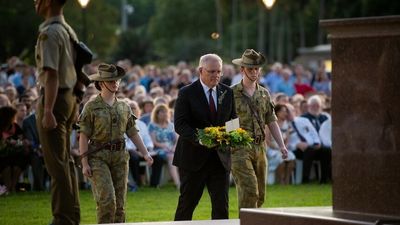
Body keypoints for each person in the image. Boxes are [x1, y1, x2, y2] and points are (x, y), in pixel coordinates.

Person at [79, 63, 153, 223]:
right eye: (111, 80)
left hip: (120, 156)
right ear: (101, 83)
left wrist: (145, 153)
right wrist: (84, 162)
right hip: (98, 157)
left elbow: (133, 132)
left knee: (120, 204)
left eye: (117, 80)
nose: (115, 83)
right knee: (107, 200)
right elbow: (83, 136)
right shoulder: (91, 107)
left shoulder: (124, 106)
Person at [173, 54, 236, 220]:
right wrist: (200, 138)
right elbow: (180, 125)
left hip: (220, 159)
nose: (216, 75)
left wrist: (228, 135)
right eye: (211, 71)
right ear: (200, 70)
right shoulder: (186, 93)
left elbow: (233, 120)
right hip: (193, 158)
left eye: (219, 72)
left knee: (221, 206)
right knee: (187, 204)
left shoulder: (228, 92)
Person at [34, 0, 81, 223]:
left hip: (55, 98)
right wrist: (77, 100)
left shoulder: (50, 32)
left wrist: (48, 110)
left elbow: (51, 74)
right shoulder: (67, 29)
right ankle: (73, 214)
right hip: (69, 96)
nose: (35, 1)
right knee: (66, 162)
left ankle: (62, 218)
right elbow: (80, 67)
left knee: (56, 164)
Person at [231, 49, 288, 209]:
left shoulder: (264, 93)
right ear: (242, 69)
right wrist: (233, 141)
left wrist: (282, 145)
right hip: (240, 147)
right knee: (250, 190)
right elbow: (227, 120)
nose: (254, 72)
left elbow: (272, 120)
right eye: (250, 68)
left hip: (260, 147)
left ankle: (251, 219)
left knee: (260, 195)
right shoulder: (231, 93)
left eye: (257, 68)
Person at [148, 103, 179, 188]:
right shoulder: (152, 126)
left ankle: (184, 181)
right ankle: (178, 183)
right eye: (162, 112)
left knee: (179, 155)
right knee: (171, 157)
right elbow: (154, 142)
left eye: (166, 112)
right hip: (159, 149)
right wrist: (164, 146)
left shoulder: (171, 125)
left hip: (172, 148)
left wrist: (174, 147)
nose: (164, 114)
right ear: (156, 114)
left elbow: (177, 139)